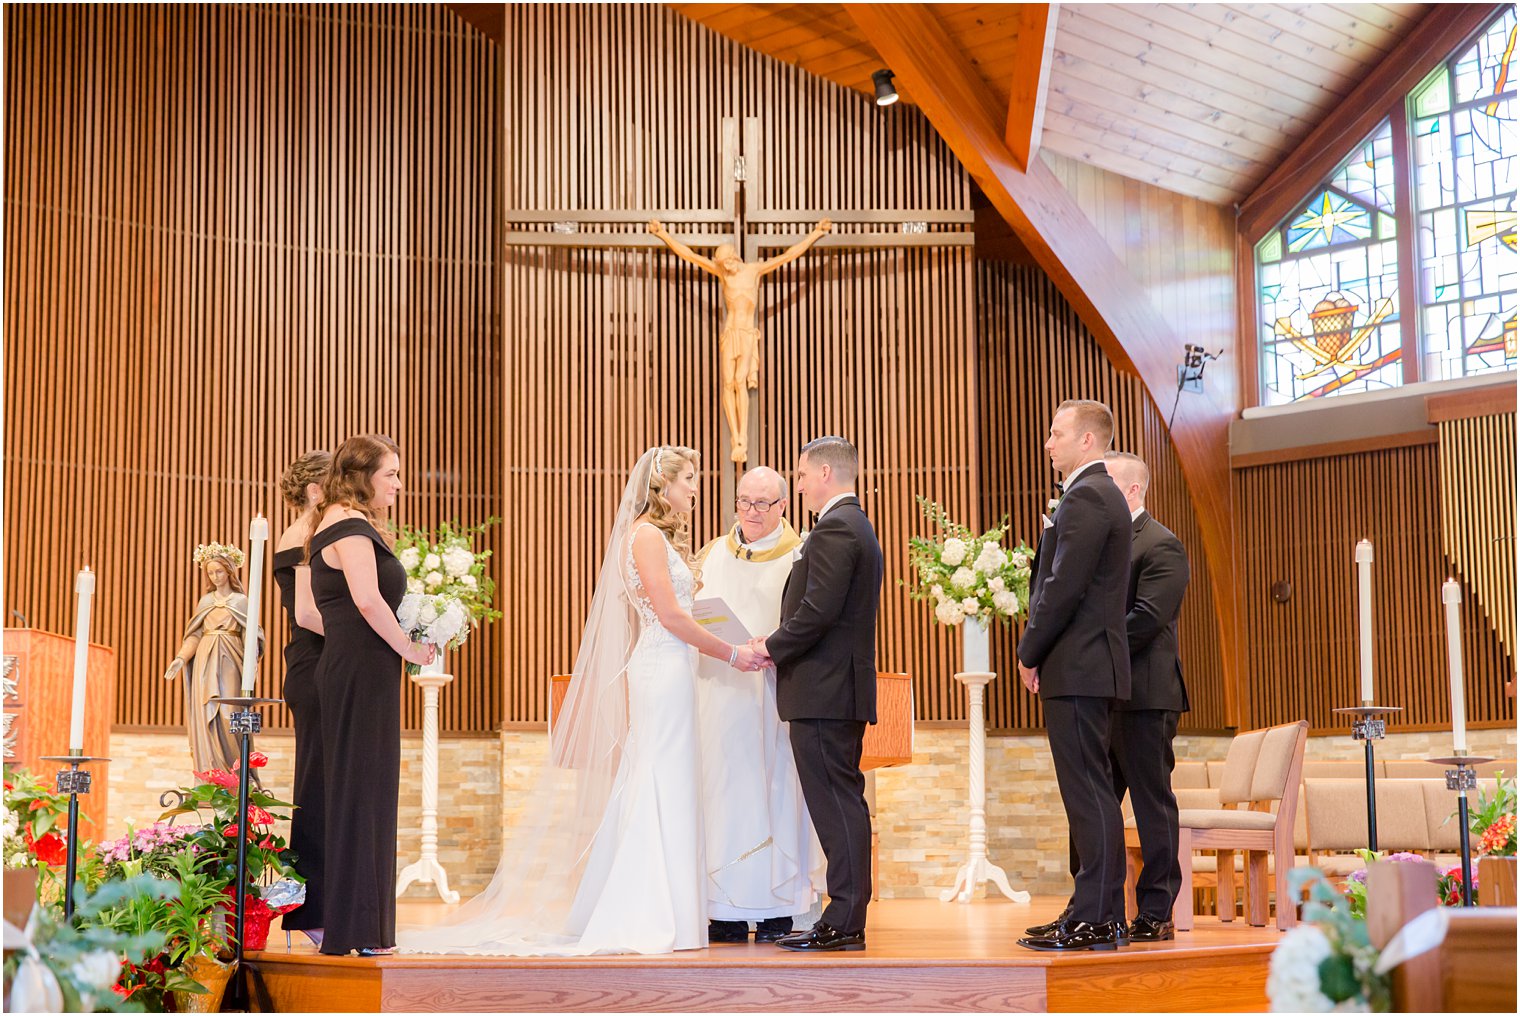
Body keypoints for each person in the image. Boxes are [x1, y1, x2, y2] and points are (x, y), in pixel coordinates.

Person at [397, 446, 766, 956]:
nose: (696, 489)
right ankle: (651, 911)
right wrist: (732, 654)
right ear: (662, 485)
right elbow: (671, 617)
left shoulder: (656, 538)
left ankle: (672, 911)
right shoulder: (647, 536)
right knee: (658, 778)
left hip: (673, 666)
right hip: (663, 666)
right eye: (688, 479)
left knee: (666, 779)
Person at [753, 436, 883, 953]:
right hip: (832, 689)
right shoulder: (851, 524)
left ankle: (845, 918)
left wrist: (771, 646)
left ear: (826, 472)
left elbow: (817, 611)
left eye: (803, 474)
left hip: (824, 691)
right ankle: (845, 914)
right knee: (841, 800)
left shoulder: (836, 528)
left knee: (837, 803)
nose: (799, 482)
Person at [305, 435, 434, 956]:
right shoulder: (350, 525)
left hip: (358, 667)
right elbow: (365, 599)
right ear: (362, 477)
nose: (399, 486)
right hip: (359, 669)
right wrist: (408, 647)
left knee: (367, 793)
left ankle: (364, 926)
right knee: (362, 795)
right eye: (391, 475)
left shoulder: (336, 522)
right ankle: (356, 928)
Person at [1015, 400, 1132, 953]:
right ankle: (1096, 909)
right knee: (1090, 790)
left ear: (1087, 441)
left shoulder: (1087, 495)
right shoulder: (1094, 494)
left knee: (1088, 791)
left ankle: (1097, 915)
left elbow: (1063, 586)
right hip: (1085, 664)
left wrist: (1029, 649)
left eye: (1056, 433)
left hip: (1079, 663)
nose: (1048, 443)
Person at [695, 466, 824, 944]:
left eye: (762, 504)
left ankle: (777, 908)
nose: (750, 512)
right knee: (724, 794)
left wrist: (769, 648)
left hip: (773, 691)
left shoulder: (802, 554)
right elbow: (695, 612)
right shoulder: (711, 553)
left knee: (775, 791)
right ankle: (724, 909)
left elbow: (810, 621)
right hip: (721, 690)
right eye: (744, 501)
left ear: (783, 506)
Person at [647, 219, 831, 464]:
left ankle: (741, 437)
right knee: (727, 383)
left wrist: (815, 233)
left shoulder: (753, 270)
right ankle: (736, 437)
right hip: (730, 333)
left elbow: (788, 256)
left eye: (729, 262)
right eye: (723, 264)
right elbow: (689, 255)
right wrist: (663, 235)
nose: (727, 267)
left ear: (736, 258)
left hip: (746, 334)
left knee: (739, 381)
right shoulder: (722, 275)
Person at [1103, 450, 1190, 941]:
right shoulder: (1105, 542)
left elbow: (1145, 619)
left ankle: (1157, 909)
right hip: (1105, 693)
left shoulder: (1161, 544)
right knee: (1096, 803)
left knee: (1151, 804)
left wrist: (1093, 653)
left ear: (1133, 489)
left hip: (1147, 693)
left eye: (1108, 481)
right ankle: (1102, 905)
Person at [271, 449, 331, 948]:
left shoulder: (312, 534)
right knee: (315, 788)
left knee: (326, 785)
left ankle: (317, 907)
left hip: (318, 664)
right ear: (315, 491)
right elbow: (310, 614)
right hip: (314, 666)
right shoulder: (302, 537)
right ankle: (306, 911)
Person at [163, 543, 264, 781]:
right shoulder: (205, 602)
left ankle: (238, 777)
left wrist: (251, 655)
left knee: (230, 713)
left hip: (230, 659)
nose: (214, 576)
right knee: (207, 714)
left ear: (229, 571)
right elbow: (195, 635)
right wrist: (180, 658)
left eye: (219, 571)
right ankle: (212, 776)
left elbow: (253, 637)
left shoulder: (241, 601)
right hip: (205, 661)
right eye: (210, 572)